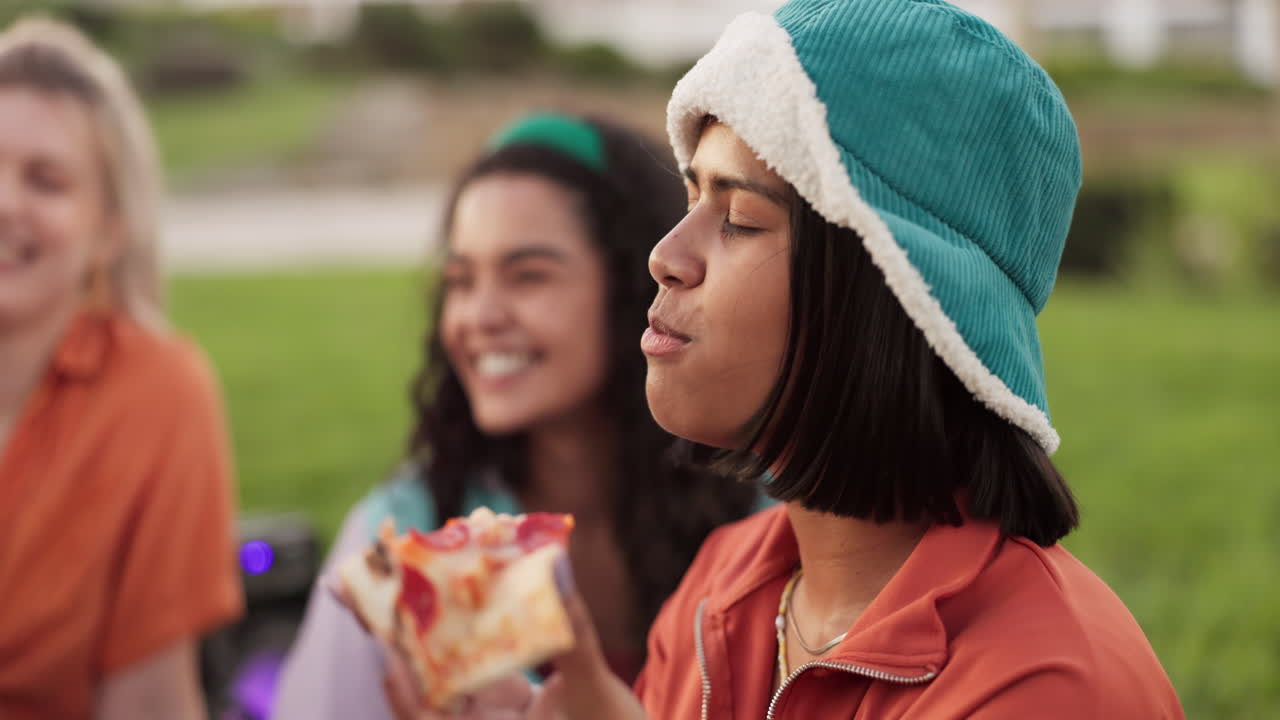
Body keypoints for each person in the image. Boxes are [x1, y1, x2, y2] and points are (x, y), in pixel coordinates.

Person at [379, 1, 1188, 718]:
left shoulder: (1044, 687)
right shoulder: (722, 591)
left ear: (888, 289)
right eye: (691, 197)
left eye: (738, 218)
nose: (665, 256)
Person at [271, 112, 761, 720]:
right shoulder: (403, 542)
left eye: (528, 276)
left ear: (638, 285)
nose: (479, 316)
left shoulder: (772, 525)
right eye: (460, 280)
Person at [0, 17, 244, 720]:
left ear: (109, 229)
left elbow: (149, 699)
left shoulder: (158, 394)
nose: (5, 202)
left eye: (46, 180)